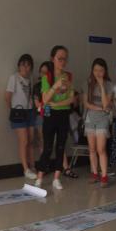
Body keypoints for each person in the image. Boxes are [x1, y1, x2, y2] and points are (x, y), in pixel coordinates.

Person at [36, 45, 75, 190]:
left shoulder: (68, 76)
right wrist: (56, 86)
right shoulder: (47, 77)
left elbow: (71, 99)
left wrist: (57, 103)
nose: (63, 62)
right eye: (60, 59)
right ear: (53, 59)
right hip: (49, 114)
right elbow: (45, 99)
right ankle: (40, 177)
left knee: (60, 146)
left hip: (63, 114)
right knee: (47, 146)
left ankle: (57, 178)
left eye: (65, 59)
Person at [5, 53, 38, 183]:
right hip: (18, 112)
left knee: (31, 140)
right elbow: (7, 97)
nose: (25, 67)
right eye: (23, 65)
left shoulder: (31, 79)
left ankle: (33, 166)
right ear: (19, 66)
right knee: (23, 141)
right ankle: (26, 169)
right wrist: (13, 110)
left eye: (28, 65)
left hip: (30, 112)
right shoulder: (14, 78)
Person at [83, 58, 113, 187]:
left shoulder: (109, 85)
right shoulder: (87, 83)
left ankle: (104, 176)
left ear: (105, 71)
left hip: (103, 119)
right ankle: (94, 173)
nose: (98, 73)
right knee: (92, 148)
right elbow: (86, 103)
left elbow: (106, 104)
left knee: (101, 148)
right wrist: (101, 108)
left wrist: (101, 85)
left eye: (101, 70)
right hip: (90, 118)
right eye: (95, 70)